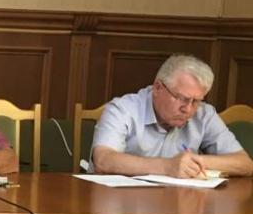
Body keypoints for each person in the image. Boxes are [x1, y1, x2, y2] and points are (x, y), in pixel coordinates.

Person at [91, 54, 252, 178]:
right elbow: (103, 160)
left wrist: (194, 162)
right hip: (123, 204)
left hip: (179, 204)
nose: (188, 109)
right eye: (182, 98)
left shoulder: (204, 114)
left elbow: (245, 164)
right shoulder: (122, 109)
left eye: (196, 101)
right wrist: (167, 166)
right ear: (158, 88)